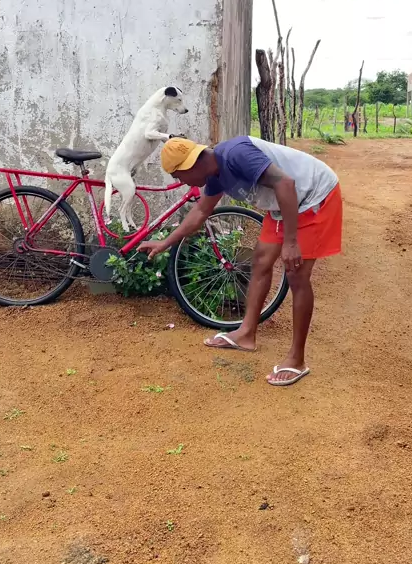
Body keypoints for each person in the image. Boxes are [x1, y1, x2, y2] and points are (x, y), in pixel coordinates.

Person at [138, 135, 342, 387]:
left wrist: (290, 242)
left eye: (179, 176)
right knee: (260, 261)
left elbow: (286, 183)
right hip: (285, 203)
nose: (181, 182)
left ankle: (297, 359)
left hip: (314, 196)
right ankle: (246, 334)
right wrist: (164, 243)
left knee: (296, 274)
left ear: (190, 165)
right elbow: (201, 211)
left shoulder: (236, 155)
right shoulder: (214, 173)